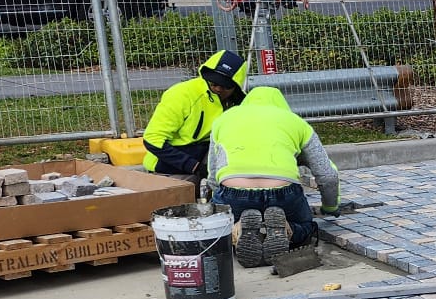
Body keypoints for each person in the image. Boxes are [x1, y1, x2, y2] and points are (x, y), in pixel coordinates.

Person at [204, 85, 341, 269]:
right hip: (283, 192)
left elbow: (213, 175)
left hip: (234, 191)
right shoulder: (296, 122)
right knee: (307, 226)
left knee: (216, 225)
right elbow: (328, 175)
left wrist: (216, 203)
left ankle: (237, 229)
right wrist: (330, 207)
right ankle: (287, 230)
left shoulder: (224, 119)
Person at [142, 50, 248, 186]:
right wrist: (194, 167)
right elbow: (152, 139)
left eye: (225, 86)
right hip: (171, 165)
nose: (218, 89)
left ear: (236, 86)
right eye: (214, 83)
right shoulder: (182, 95)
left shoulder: (240, 103)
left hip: (206, 158)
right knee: (188, 192)